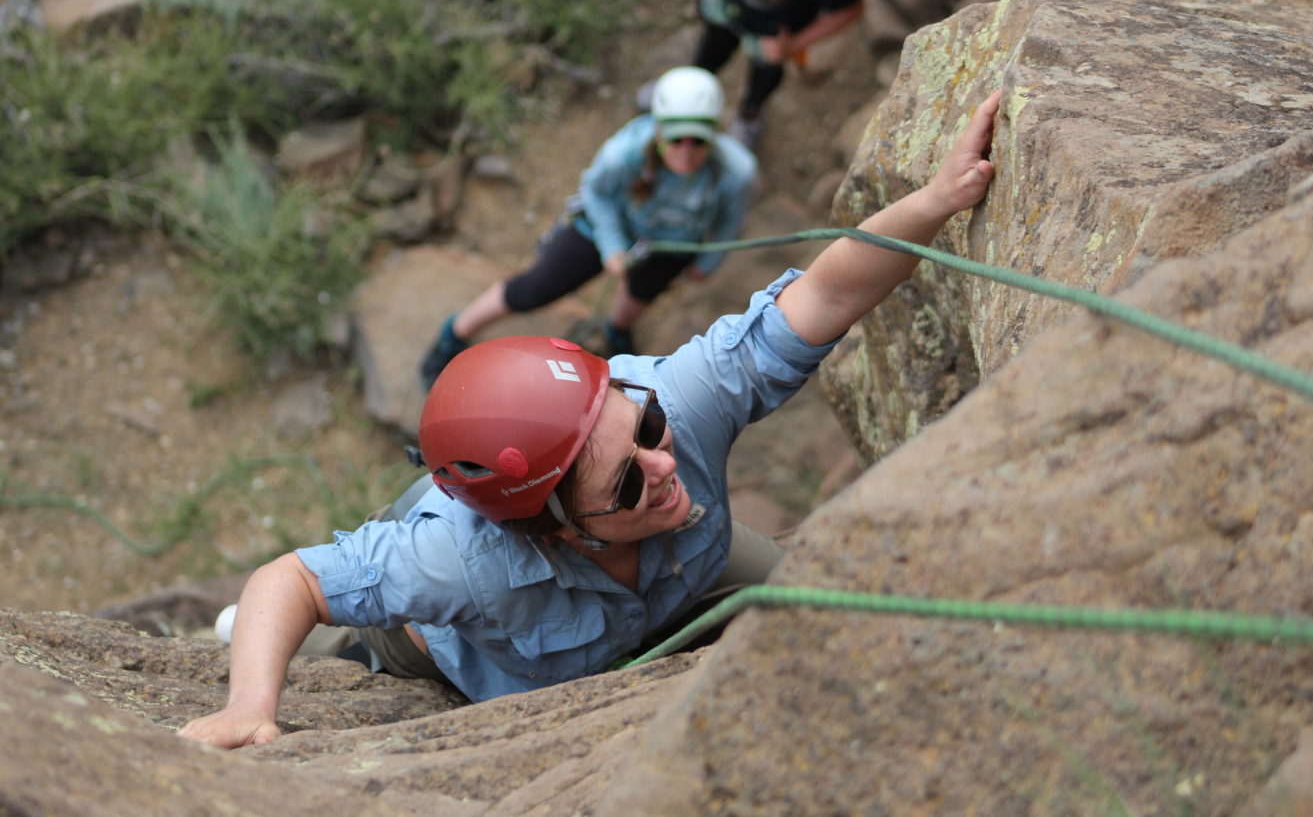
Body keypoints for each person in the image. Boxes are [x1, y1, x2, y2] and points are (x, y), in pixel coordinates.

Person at [177, 88, 1001, 749]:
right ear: (557, 527)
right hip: (454, 655)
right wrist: (252, 703)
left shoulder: (676, 398)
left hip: (686, 572)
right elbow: (298, 578)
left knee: (818, 600)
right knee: (360, 648)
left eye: (644, 432)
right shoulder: (460, 563)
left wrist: (938, 200)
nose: (664, 465)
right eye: (626, 480)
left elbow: (824, 293)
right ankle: (261, 645)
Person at [418, 66, 756, 390]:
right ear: (658, 130)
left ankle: (616, 331)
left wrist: (707, 264)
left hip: (671, 245)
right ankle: (456, 331)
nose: (686, 151)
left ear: (714, 136)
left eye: (697, 140)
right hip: (603, 228)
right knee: (535, 289)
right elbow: (596, 192)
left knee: (641, 293)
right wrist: (611, 247)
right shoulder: (625, 153)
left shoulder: (735, 171)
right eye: (676, 138)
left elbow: (729, 219)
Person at [684, 0, 865, 150]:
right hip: (728, 6)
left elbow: (850, 8)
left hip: (774, 34)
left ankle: (749, 113)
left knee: (765, 75)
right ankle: (686, 93)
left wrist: (795, 44)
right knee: (709, 52)